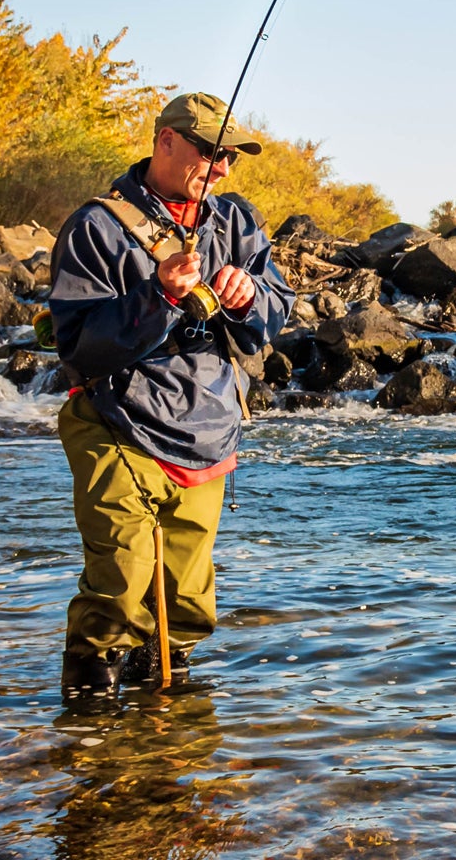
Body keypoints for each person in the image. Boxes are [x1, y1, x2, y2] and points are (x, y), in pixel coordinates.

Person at [49, 93, 292, 701]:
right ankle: (87, 718)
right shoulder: (96, 227)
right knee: (120, 581)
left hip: (207, 425)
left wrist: (248, 297)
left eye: (231, 156)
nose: (223, 167)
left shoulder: (236, 221)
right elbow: (78, 346)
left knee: (185, 600)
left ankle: (166, 736)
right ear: (165, 141)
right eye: (211, 151)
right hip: (115, 422)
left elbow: (273, 312)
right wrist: (156, 295)